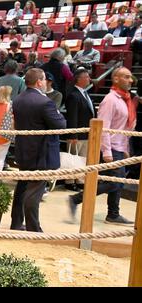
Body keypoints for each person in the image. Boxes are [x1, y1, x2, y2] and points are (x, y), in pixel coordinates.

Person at [68, 67, 136, 225]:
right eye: (126, 77)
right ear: (116, 79)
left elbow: (124, 128)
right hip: (111, 148)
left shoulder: (126, 100)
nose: (130, 80)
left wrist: (125, 149)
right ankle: (77, 199)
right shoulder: (110, 100)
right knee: (115, 182)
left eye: (130, 77)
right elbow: (103, 127)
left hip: (120, 147)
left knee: (117, 182)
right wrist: (107, 152)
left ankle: (113, 213)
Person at [11, 68, 66, 232]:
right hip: (41, 152)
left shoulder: (18, 99)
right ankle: (33, 227)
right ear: (39, 82)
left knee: (22, 188)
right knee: (34, 190)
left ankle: (16, 223)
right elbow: (60, 124)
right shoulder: (45, 102)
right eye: (44, 80)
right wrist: (56, 112)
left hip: (23, 150)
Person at [64, 69, 94, 191]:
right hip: (76, 134)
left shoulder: (85, 94)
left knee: (82, 158)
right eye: (86, 77)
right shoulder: (73, 95)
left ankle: (80, 181)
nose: (89, 79)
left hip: (86, 133)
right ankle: (70, 181)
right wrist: (73, 135)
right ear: (79, 79)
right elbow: (72, 116)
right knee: (73, 158)